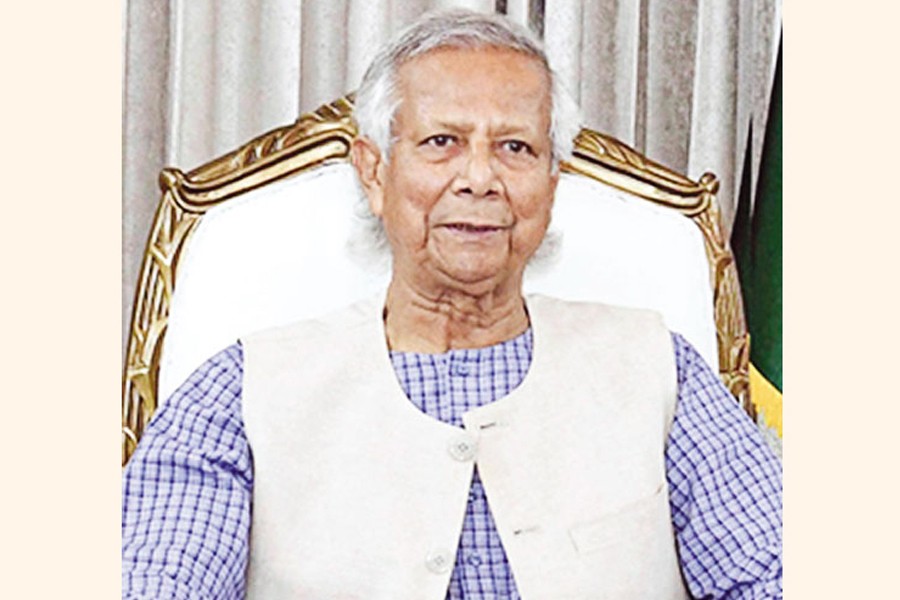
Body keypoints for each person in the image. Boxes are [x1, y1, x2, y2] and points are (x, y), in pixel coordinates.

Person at [122, 10, 782, 600]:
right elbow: (159, 577)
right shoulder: (241, 391)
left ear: (552, 183)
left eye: (516, 147)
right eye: (442, 142)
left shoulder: (659, 371)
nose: (479, 178)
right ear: (375, 171)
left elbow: (776, 571)